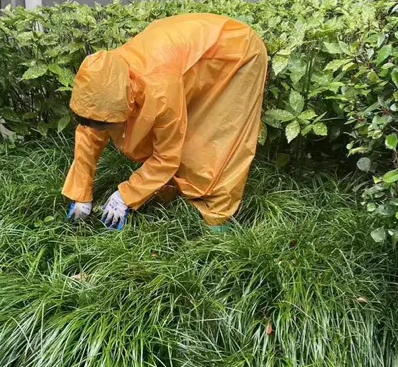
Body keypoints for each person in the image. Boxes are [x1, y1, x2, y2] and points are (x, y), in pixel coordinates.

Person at [62, 13, 269, 230]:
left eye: (106, 125)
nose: (100, 130)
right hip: (194, 55)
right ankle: (170, 186)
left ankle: (219, 215)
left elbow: (166, 156)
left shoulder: (159, 93)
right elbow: (90, 132)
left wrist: (125, 195)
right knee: (171, 133)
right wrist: (81, 193)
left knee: (214, 141)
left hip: (236, 53)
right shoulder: (106, 78)